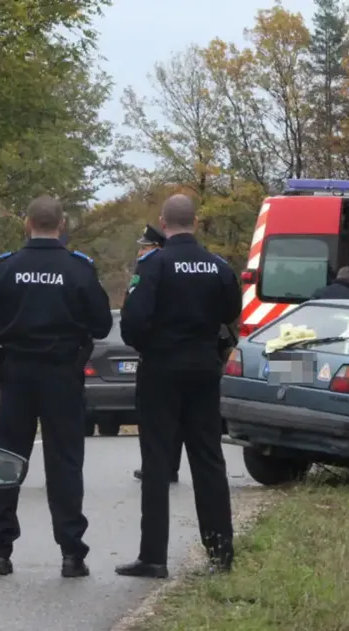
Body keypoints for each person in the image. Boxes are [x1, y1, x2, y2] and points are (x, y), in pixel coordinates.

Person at [0, 195, 113, 578]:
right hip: (62, 376)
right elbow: (101, 325)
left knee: (7, 460)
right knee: (65, 462)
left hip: (16, 375)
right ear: (61, 225)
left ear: (27, 225)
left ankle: (0, 550)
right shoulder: (78, 269)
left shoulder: (4, 268)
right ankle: (71, 553)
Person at [117, 194, 242, 578]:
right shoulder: (218, 266)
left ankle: (153, 557)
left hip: (161, 370)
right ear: (196, 222)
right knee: (208, 458)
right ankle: (220, 551)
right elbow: (232, 311)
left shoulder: (153, 264)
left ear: (163, 222)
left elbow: (133, 322)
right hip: (204, 369)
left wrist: (152, 345)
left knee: (157, 461)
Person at [128, 224, 183, 485]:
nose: (141, 251)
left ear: (157, 248)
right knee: (175, 417)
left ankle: (157, 467)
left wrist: (138, 343)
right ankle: (168, 465)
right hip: (187, 357)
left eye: (145, 247)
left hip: (157, 356)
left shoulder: (151, 269)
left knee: (153, 416)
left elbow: (136, 314)